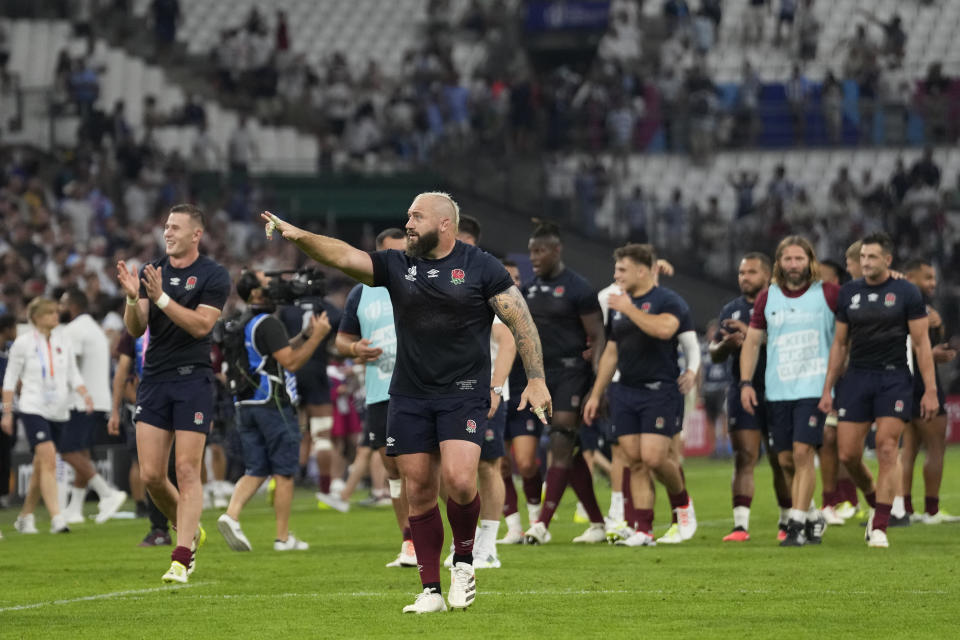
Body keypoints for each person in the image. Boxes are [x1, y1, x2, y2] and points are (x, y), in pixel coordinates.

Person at [261, 192, 550, 614]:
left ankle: (465, 564)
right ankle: (430, 589)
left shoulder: (479, 265)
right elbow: (342, 255)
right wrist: (297, 235)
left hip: (464, 391)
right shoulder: (398, 264)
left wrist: (537, 379)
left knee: (460, 480)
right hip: (410, 393)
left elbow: (519, 318)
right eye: (408, 216)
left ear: (444, 223)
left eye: (416, 216)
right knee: (417, 488)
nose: (408, 223)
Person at [116, 203, 231, 583]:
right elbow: (136, 330)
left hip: (193, 380)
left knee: (185, 469)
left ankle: (182, 555)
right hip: (154, 379)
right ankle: (189, 525)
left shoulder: (214, 274)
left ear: (196, 234)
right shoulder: (153, 270)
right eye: (166, 226)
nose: (167, 232)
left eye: (176, 227)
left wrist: (163, 298)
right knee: (151, 475)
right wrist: (135, 299)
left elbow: (201, 326)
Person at [820, 234, 938, 548]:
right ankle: (875, 500)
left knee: (888, 449)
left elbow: (921, 343)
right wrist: (828, 388)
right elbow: (840, 343)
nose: (866, 262)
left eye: (873, 257)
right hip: (857, 378)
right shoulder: (849, 293)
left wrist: (930, 390)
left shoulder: (906, 292)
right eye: (863, 257)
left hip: (894, 378)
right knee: (848, 454)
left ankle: (881, 525)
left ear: (887, 260)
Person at [584, 244, 698, 547]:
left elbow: (664, 330)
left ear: (642, 270)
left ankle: (683, 504)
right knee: (634, 461)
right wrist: (597, 393)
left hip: (659, 390)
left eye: (622, 269)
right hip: (625, 391)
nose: (616, 275)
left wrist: (629, 309)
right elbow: (611, 350)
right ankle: (644, 531)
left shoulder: (667, 300)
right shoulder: (620, 304)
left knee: (654, 457)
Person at [216, 270, 330, 552]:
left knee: (256, 468)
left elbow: (272, 352)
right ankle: (282, 537)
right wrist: (317, 338)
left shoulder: (243, 321)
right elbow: (289, 362)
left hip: (245, 404)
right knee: (284, 472)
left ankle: (231, 515)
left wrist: (303, 335)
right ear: (255, 293)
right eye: (267, 281)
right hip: (273, 404)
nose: (275, 284)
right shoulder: (268, 322)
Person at [329, 228, 418, 568]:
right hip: (381, 392)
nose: (399, 260)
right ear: (378, 257)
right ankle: (409, 543)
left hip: (421, 389)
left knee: (424, 471)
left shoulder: (420, 281)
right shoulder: (360, 292)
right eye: (391, 255)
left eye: (404, 252)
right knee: (394, 471)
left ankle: (449, 539)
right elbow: (341, 341)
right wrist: (354, 348)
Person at [740, 236, 834, 547]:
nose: (794, 264)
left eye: (799, 258)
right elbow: (752, 342)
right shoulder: (767, 298)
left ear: (810, 261)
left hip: (813, 388)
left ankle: (795, 525)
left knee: (802, 453)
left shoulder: (829, 294)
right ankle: (812, 515)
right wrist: (745, 383)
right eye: (788, 259)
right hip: (777, 389)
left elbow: (846, 337)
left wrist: (833, 385)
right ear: (779, 263)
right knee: (784, 461)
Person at [522, 221, 608, 546]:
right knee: (568, 453)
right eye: (531, 251)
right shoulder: (528, 290)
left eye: (540, 250)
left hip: (572, 374)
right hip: (542, 377)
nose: (534, 257)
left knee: (559, 442)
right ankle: (598, 523)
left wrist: (598, 381)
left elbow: (599, 335)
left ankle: (541, 525)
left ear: (557, 251)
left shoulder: (577, 288)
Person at [710, 253, 792, 541]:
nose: (745, 277)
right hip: (742, 389)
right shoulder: (731, 309)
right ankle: (740, 526)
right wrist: (726, 345)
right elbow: (714, 352)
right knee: (744, 456)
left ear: (767, 276)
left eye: (752, 272)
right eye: (742, 273)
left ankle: (787, 523)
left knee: (780, 457)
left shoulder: (783, 305)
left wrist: (753, 335)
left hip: (780, 389)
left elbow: (791, 344)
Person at [452, 215, 516, 568]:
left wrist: (495, 387)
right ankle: (462, 541)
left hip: (485, 394)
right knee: (451, 471)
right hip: (447, 394)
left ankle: (488, 543)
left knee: (489, 466)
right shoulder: (440, 285)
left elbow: (506, 341)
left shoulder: (486, 284)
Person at [2, 297, 94, 534]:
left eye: (56, 312)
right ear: (37, 317)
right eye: (50, 312)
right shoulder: (22, 343)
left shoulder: (63, 340)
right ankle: (57, 518)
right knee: (50, 459)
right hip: (33, 407)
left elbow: (73, 372)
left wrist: (85, 394)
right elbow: (10, 378)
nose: (56, 316)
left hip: (59, 409)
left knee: (40, 465)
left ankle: (25, 516)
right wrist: (7, 412)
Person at [58, 287, 128, 525]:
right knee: (82, 452)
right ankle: (75, 508)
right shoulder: (94, 328)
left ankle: (107, 493)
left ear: (73, 306)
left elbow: (70, 365)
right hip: (98, 399)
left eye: (62, 304)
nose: (60, 309)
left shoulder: (73, 330)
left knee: (66, 450)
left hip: (80, 400)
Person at [902, 259, 959, 523]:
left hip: (901, 383)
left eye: (933, 278)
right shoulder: (912, 305)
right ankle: (932, 510)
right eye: (927, 277)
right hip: (924, 382)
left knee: (908, 448)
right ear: (910, 276)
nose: (932, 283)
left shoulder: (905, 304)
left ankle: (905, 508)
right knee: (935, 447)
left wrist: (939, 331)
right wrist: (932, 354)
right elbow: (907, 342)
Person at [0, 314, 17, 512]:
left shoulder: (9, 350)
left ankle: (3, 494)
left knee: (5, 454)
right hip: (6, 407)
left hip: (8, 409)